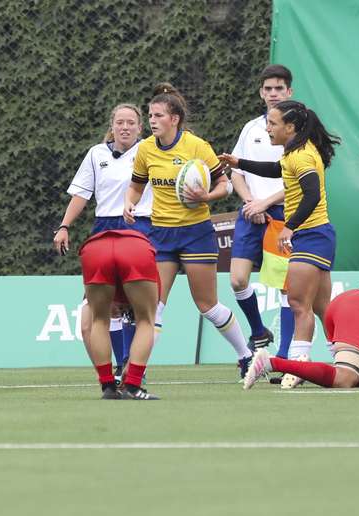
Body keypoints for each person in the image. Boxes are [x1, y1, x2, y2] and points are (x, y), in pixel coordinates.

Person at [124, 83, 253, 377]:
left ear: (174, 119)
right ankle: (136, 371)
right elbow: (135, 186)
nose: (152, 120)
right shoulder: (145, 149)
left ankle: (245, 355)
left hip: (196, 232)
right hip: (162, 235)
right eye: (150, 115)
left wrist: (207, 196)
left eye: (157, 115)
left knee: (207, 305)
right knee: (153, 307)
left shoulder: (196, 147)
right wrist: (128, 204)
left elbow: (225, 184)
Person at [219, 100, 341, 388]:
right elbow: (277, 170)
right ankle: (352, 358)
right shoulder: (295, 152)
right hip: (317, 235)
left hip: (311, 237)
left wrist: (289, 227)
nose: (268, 128)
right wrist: (240, 163)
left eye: (273, 123)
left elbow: (311, 195)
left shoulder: (301, 157)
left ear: (291, 127)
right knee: (324, 308)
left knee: (299, 303)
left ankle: (298, 367)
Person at [53, 103, 151, 383]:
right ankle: (116, 370)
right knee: (98, 313)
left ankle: (132, 370)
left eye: (131, 122)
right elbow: (82, 194)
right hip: (103, 230)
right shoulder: (97, 154)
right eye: (120, 122)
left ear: (139, 127)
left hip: (138, 226)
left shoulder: (149, 152)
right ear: (112, 125)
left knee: (134, 305)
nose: (125, 127)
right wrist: (64, 226)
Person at [229, 64, 295, 359]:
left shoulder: (299, 131)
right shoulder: (251, 128)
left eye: (278, 88)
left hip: (282, 215)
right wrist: (249, 202)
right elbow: (235, 171)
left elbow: (300, 180)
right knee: (237, 280)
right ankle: (258, 331)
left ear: (289, 92)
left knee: (286, 287)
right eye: (268, 89)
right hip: (249, 212)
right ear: (260, 93)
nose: (273, 94)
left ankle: (283, 355)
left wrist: (264, 204)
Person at [78, 229, 160, 400]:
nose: (121, 312)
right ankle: (133, 387)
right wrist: (132, 369)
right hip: (135, 249)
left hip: (95, 248)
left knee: (99, 320)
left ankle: (108, 387)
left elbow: (86, 327)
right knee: (146, 321)